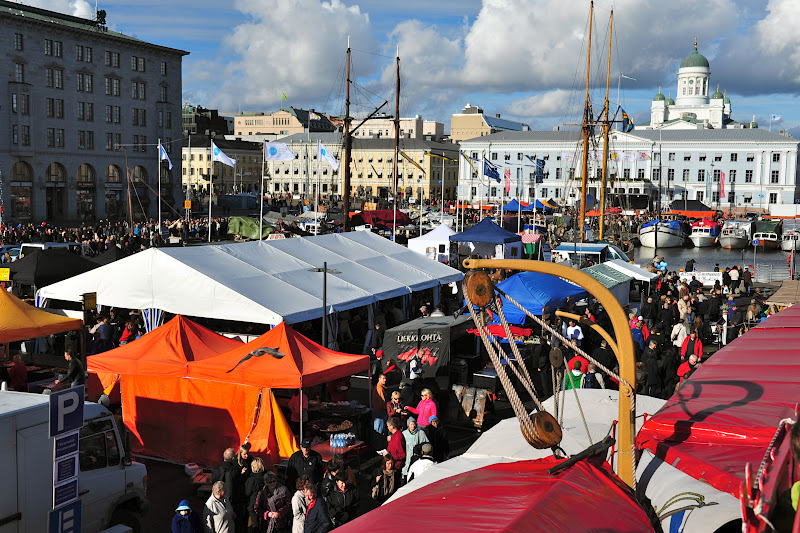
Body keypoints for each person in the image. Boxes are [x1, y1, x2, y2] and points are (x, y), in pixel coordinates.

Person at [245, 457, 266, 532]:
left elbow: (247, 493)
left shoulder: (251, 480)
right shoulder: (266, 477)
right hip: (265, 505)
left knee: (254, 526)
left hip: (253, 505)